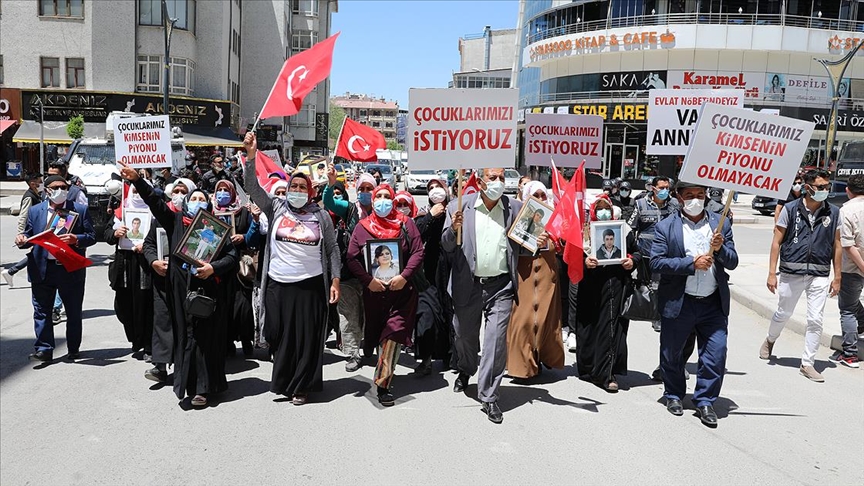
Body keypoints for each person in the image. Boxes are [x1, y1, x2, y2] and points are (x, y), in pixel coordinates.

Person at [119, 164, 238, 409]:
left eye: (200, 199)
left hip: (207, 291)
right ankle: (187, 384)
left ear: (208, 204)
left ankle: (204, 388)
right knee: (186, 337)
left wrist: (213, 268)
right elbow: (156, 202)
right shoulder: (175, 222)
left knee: (204, 339)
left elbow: (231, 257)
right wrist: (137, 181)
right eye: (192, 198)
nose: (195, 202)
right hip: (180, 290)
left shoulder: (216, 227)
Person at [243, 133, 340, 405]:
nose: (297, 190)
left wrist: (335, 280)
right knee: (278, 334)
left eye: (302, 187)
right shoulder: (276, 207)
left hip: (310, 284)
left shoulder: (319, 215)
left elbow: (332, 249)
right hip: (277, 283)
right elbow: (252, 186)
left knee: (307, 338)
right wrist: (251, 157)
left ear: (310, 191)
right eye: (293, 185)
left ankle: (302, 386)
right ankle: (284, 380)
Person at [651, 180, 738, 427]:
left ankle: (705, 400)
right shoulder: (666, 227)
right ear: (679, 197)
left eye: (700, 194)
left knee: (715, 354)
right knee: (672, 352)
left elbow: (732, 261)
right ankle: (674, 394)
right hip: (680, 301)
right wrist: (690, 265)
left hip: (712, 303)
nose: (695, 199)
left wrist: (720, 250)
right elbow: (656, 262)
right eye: (689, 194)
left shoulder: (720, 224)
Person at [442, 168, 522, 424]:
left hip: (500, 286)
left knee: (495, 342)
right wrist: (452, 230)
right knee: (464, 335)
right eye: (492, 178)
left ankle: (488, 395)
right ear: (480, 180)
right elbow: (445, 246)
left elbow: (526, 243)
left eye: (501, 178)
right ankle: (466, 369)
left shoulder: (515, 208)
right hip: (468, 284)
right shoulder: (459, 206)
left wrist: (538, 239)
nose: (498, 183)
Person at [347, 182, 424, 407]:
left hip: (401, 293)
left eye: (386, 196)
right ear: (372, 200)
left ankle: (382, 384)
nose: (382, 200)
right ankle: (385, 368)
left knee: (393, 335)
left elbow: (418, 251)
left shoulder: (406, 224)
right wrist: (368, 281)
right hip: (375, 295)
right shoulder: (363, 227)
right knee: (380, 335)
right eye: (378, 196)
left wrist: (405, 276)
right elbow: (351, 257)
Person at [761, 169, 842, 382]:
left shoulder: (833, 212)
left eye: (827, 187)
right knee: (783, 313)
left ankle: (808, 363)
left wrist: (838, 276)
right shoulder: (790, 209)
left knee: (815, 319)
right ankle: (770, 339)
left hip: (819, 273)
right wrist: (771, 272)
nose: (825, 191)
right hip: (791, 271)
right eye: (821, 187)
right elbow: (776, 241)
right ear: (808, 188)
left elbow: (838, 245)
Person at [15, 175, 96, 362]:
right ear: (47, 190)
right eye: (57, 187)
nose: (62, 190)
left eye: (64, 187)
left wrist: (77, 239)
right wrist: (21, 240)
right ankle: (44, 349)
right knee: (41, 310)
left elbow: (91, 236)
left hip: (69, 269)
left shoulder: (79, 210)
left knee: (73, 311)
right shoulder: (36, 211)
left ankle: (73, 348)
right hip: (42, 268)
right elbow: (28, 235)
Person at [576, 194, 640, 392]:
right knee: (589, 329)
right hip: (591, 290)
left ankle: (607, 374)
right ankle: (589, 369)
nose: (603, 212)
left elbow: (636, 252)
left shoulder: (624, 231)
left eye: (606, 209)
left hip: (616, 288)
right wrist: (585, 263)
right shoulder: (585, 232)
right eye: (599, 209)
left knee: (611, 331)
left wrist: (632, 261)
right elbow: (571, 259)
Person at [506, 181, 564, 380]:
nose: (540, 199)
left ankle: (541, 358)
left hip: (548, 273)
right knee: (524, 319)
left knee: (545, 318)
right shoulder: (517, 216)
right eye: (535, 195)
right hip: (525, 273)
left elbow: (561, 243)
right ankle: (522, 366)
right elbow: (511, 243)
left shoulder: (555, 218)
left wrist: (550, 240)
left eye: (542, 195)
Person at [141, 177, 196, 383]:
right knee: (163, 321)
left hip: (189, 282)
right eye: (176, 191)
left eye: (184, 191)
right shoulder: (162, 218)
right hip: (163, 280)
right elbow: (149, 245)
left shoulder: (200, 221)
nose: (179, 195)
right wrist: (154, 261)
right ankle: (160, 366)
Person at [322, 165, 368, 372]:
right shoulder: (350, 209)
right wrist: (331, 184)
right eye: (363, 188)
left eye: (370, 188)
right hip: (349, 271)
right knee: (348, 314)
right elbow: (329, 202)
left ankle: (369, 345)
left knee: (369, 314)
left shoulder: (385, 212)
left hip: (375, 275)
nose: (366, 192)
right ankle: (353, 353)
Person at [105, 180, 154, 361]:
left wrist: (147, 245)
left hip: (145, 265)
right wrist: (116, 233)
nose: (137, 195)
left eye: (141, 191)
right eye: (134, 191)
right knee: (124, 305)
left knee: (146, 305)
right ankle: (136, 338)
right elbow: (107, 235)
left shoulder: (154, 212)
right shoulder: (121, 212)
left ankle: (149, 345)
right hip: (124, 265)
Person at [628, 176, 681, 332]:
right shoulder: (640, 204)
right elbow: (632, 228)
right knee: (645, 284)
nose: (665, 191)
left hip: (666, 254)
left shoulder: (674, 205)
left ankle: (658, 316)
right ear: (653, 188)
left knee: (660, 285)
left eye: (667, 188)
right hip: (645, 252)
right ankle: (644, 310)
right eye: (662, 187)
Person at [413, 178, 455, 375]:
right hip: (429, 271)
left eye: (438, 187)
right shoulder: (424, 213)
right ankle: (426, 358)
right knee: (427, 314)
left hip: (452, 268)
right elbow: (416, 234)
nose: (435, 191)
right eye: (430, 188)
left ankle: (451, 356)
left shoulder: (456, 210)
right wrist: (431, 215)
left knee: (449, 313)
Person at [212, 179, 255, 357]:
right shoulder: (210, 211)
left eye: (226, 190)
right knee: (224, 307)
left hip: (240, 266)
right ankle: (227, 343)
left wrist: (243, 237)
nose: (223, 193)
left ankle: (246, 340)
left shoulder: (243, 212)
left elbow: (254, 235)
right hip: (220, 266)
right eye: (219, 190)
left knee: (243, 307)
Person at [832, 174, 864, 368]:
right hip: (855, 267)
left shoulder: (846, 210)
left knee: (847, 309)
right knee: (852, 304)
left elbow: (848, 244)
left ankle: (850, 354)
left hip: (852, 268)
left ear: (847, 190)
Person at [3, 172, 43, 289]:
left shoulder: (36, 194)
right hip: (31, 232)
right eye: (40, 182)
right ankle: (11, 271)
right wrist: (21, 234)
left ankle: (11, 272)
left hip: (36, 231)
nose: (42, 184)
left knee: (36, 254)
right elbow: (23, 216)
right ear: (32, 184)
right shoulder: (29, 197)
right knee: (37, 254)